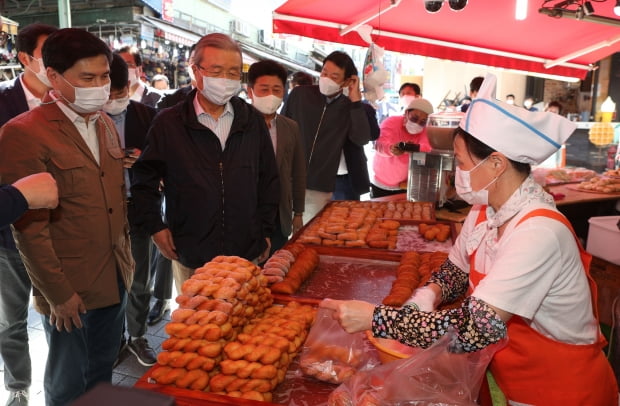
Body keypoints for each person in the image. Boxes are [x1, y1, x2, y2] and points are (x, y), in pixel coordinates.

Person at [322, 73, 618, 405]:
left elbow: (477, 328)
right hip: (511, 381)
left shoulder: (539, 233)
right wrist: (427, 295)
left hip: (563, 389)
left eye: (461, 163)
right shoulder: (485, 210)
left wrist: (378, 318)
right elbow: (457, 271)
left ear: (496, 164)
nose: (456, 174)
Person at [0, 28, 134, 406]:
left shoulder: (103, 121)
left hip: (115, 272)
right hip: (70, 284)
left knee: (101, 372)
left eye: (104, 76)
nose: (100, 87)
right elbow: (29, 228)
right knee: (67, 381)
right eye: (87, 79)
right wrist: (57, 293)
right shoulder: (23, 133)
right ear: (54, 76)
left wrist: (127, 264)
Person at [130, 33, 279, 292]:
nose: (226, 79)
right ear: (196, 72)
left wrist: (265, 230)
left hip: (245, 252)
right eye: (217, 71)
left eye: (233, 72)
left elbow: (268, 180)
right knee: (197, 327)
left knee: (244, 323)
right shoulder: (168, 123)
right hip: (191, 253)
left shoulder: (252, 120)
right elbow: (145, 180)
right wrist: (155, 225)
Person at [0, 22, 57, 406]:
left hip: (57, 234)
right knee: (11, 320)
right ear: (25, 58)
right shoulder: (2, 103)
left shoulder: (69, 103)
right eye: (50, 55)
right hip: (8, 235)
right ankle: (18, 385)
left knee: (60, 315)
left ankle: (61, 383)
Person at [103, 53, 158, 367]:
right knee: (108, 282)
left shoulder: (148, 116)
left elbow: (166, 163)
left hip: (137, 209)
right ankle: (114, 341)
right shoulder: (87, 116)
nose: (113, 99)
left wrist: (143, 160)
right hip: (101, 212)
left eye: (120, 92)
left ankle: (137, 336)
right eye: (108, 93)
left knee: (139, 280)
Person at [281, 51, 372, 223]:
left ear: (347, 81)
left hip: (322, 186)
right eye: (324, 72)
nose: (326, 78)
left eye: (335, 76)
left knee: (314, 232)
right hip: (291, 180)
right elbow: (283, 129)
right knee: (289, 233)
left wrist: (355, 100)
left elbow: (361, 139)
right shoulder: (300, 95)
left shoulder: (350, 107)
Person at [247, 60, 306, 252]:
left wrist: (298, 211)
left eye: (277, 90)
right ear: (250, 92)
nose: (271, 95)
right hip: (247, 215)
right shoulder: (238, 126)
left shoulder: (290, 127)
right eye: (264, 89)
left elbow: (298, 172)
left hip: (280, 214)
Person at [371, 98, 434, 198]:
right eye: (414, 118)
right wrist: (391, 149)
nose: (417, 123)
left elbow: (427, 149)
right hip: (382, 186)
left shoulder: (425, 131)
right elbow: (379, 144)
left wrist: (412, 148)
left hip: (406, 187)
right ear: (406, 113)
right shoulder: (391, 122)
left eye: (422, 122)